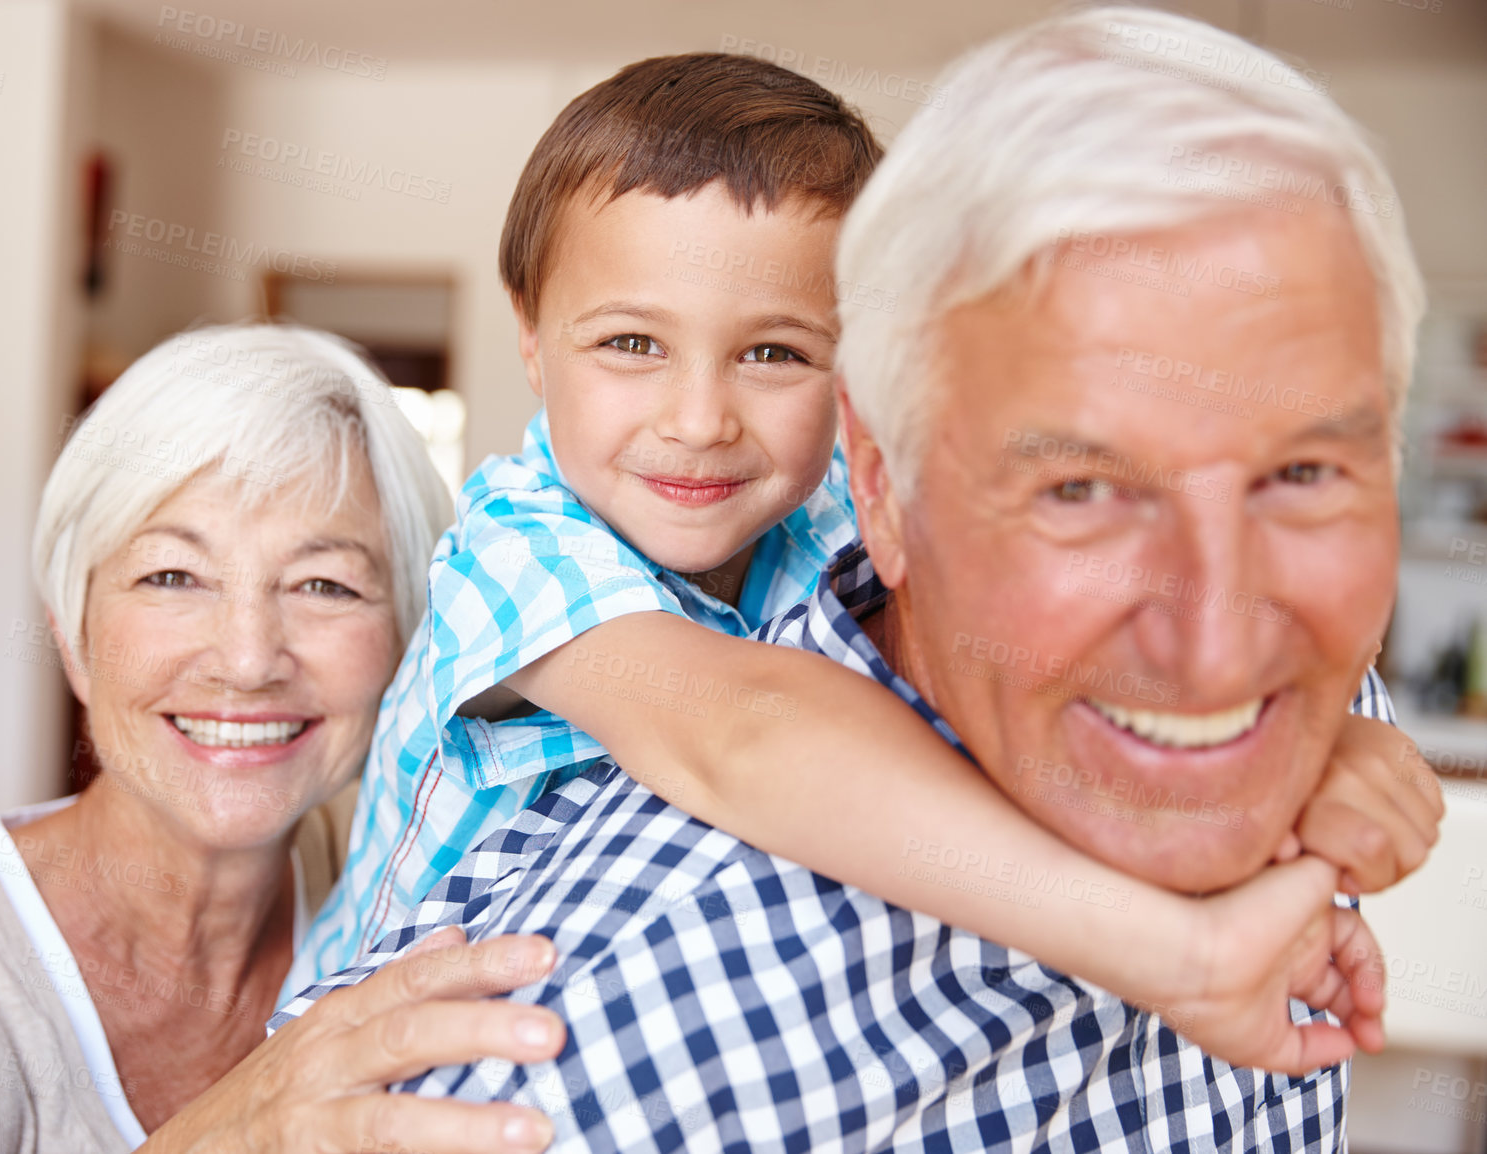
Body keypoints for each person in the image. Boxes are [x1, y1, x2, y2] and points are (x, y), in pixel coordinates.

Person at [272, 8, 1443, 1151]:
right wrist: (1168, 952)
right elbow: (743, 731)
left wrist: (1356, 748)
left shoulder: (843, 492)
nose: (698, 420)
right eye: (632, 343)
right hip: (358, 1063)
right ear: (530, 341)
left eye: (774, 351)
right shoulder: (517, 544)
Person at [0, 325, 567, 1154]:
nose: (248, 661)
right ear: (72, 637)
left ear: (403, 644)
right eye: (172, 576)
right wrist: (242, 1123)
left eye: (324, 583)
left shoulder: (428, 890)